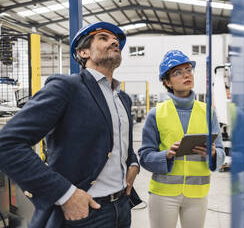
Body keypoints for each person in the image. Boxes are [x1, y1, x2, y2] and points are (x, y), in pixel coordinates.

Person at [0, 21, 139, 228]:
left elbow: (119, 144)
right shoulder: (68, 88)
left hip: (121, 208)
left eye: (116, 40)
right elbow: (7, 144)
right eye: (103, 38)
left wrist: (133, 164)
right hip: (84, 213)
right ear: (83, 52)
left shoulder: (123, 99)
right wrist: (65, 194)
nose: (113, 41)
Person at [138, 50, 226, 228]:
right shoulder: (156, 114)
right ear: (167, 82)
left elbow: (221, 152)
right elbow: (145, 156)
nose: (186, 74)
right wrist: (166, 155)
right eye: (178, 72)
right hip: (163, 194)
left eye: (188, 70)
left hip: (197, 194)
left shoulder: (208, 112)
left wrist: (214, 153)